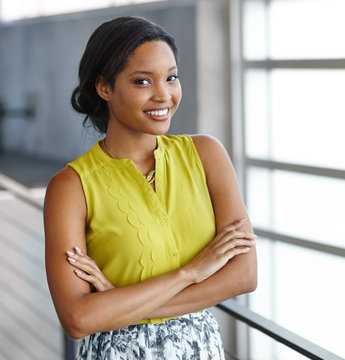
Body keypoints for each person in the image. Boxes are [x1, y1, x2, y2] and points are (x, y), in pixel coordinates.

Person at [44, 16, 257, 360]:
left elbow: (244, 275)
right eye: (143, 81)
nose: (164, 95)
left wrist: (118, 304)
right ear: (105, 88)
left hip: (201, 350)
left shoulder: (207, 155)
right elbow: (78, 318)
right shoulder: (70, 187)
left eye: (171, 77)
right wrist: (191, 273)